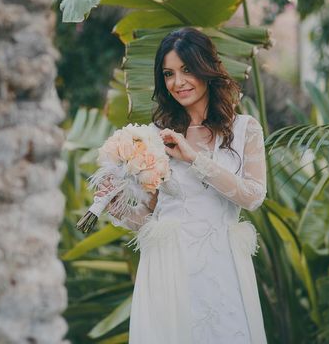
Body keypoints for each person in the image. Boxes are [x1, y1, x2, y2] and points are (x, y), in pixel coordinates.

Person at [96, 27, 267, 343]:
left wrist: (194, 159)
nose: (178, 82)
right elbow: (152, 216)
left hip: (222, 265)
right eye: (169, 73)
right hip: (168, 268)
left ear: (207, 68)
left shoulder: (245, 130)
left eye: (187, 69)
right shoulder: (155, 136)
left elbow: (252, 196)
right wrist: (114, 204)